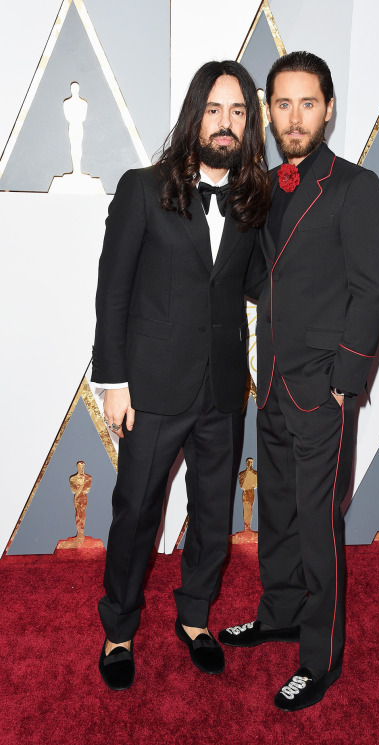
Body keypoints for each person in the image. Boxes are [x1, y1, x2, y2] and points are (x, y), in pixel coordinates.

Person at [219, 51, 379, 711]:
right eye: (282, 104)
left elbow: (371, 289)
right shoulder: (265, 183)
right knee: (277, 516)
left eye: (307, 103)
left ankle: (318, 660)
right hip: (270, 384)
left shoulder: (356, 186)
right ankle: (279, 613)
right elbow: (260, 277)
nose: (294, 117)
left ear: (328, 109)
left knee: (318, 528)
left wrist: (346, 379)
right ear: (270, 110)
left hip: (323, 387)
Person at [91, 60, 270, 690]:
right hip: (152, 387)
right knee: (135, 512)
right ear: (195, 114)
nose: (225, 124)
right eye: (215, 110)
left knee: (214, 514)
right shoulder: (143, 188)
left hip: (222, 388)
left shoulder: (254, 200)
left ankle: (194, 616)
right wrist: (113, 381)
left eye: (239, 113)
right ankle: (119, 627)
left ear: (249, 125)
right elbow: (112, 293)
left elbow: (248, 283)